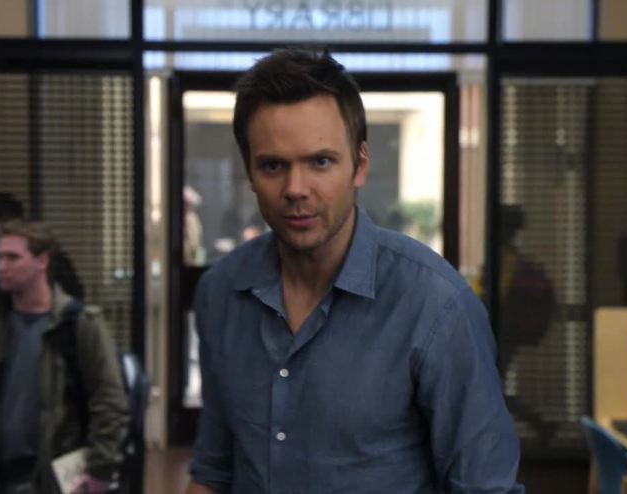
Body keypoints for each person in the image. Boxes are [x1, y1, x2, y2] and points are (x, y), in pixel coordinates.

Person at [187, 48, 523, 493]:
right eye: (273, 165)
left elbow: (485, 487)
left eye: (320, 161)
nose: (296, 189)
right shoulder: (221, 292)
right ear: (250, 172)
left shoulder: (435, 305)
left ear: (360, 166)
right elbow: (214, 471)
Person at [0, 220, 128, 493]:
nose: (1, 266)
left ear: (42, 261)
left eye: (12, 258)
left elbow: (108, 401)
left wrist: (101, 468)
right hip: (0, 475)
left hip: (57, 476)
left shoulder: (80, 325)